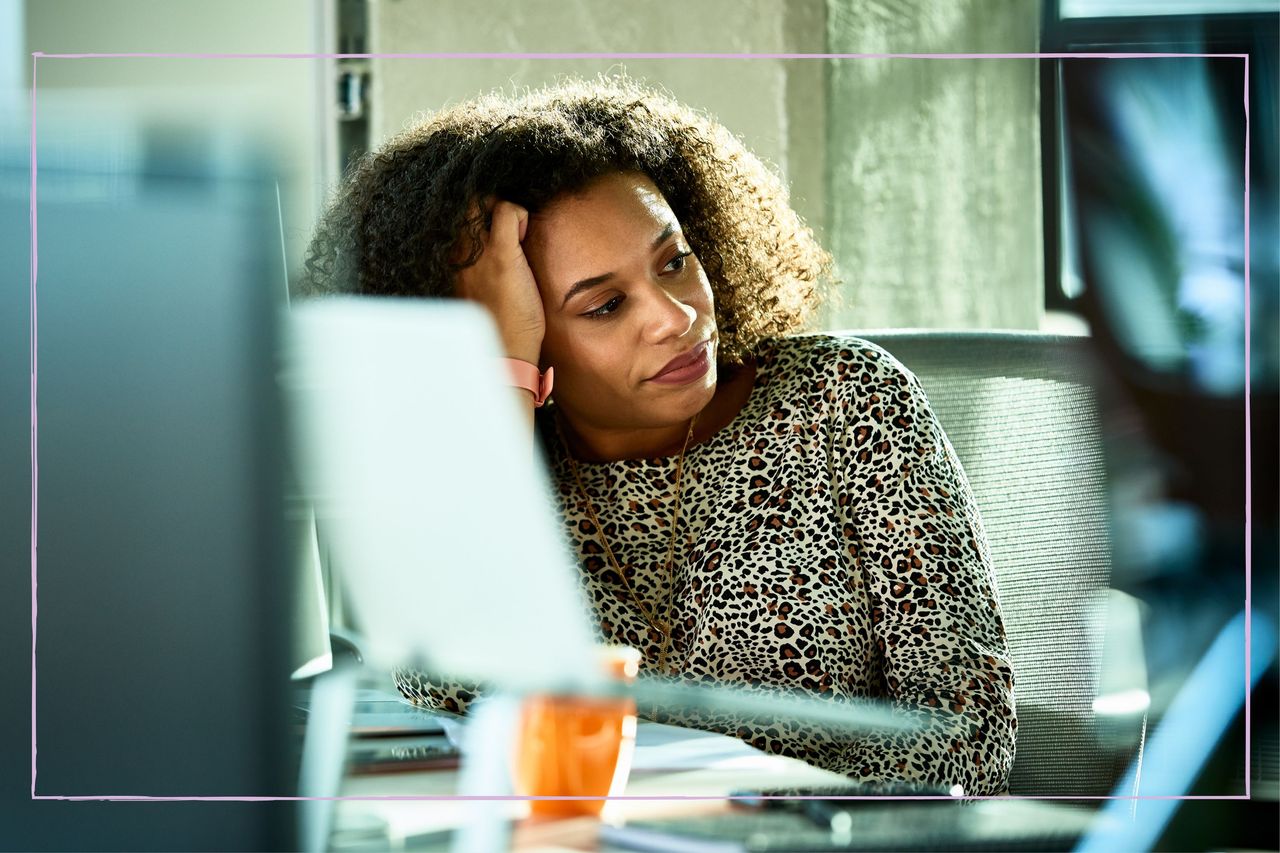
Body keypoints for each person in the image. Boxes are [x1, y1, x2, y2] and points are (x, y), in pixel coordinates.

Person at [302, 76, 1017, 795]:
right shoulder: (505, 470)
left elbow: (969, 733)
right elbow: (447, 686)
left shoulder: (846, 400)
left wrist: (763, 817)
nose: (674, 316)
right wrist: (501, 377)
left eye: (675, 261)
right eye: (606, 305)